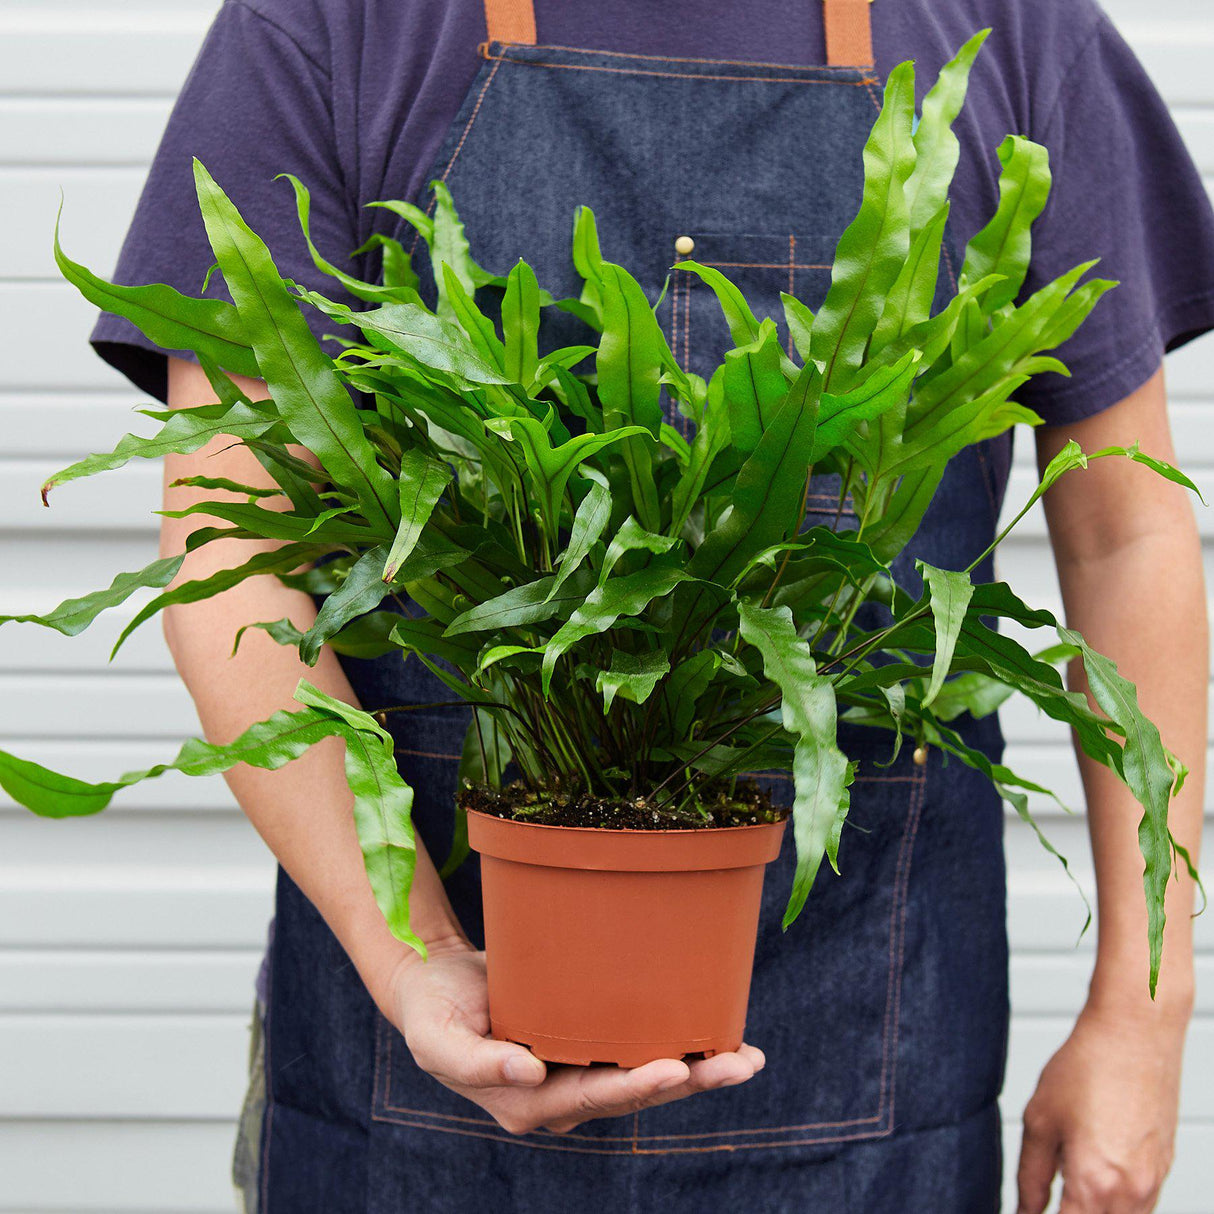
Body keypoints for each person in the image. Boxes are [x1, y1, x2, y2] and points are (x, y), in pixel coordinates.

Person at [89, 1, 1213, 1210]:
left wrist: (1141, 1016)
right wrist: (412, 954)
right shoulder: (340, 23)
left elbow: (1122, 533)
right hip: (421, 1068)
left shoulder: (1009, 31)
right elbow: (231, 544)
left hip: (862, 1064)